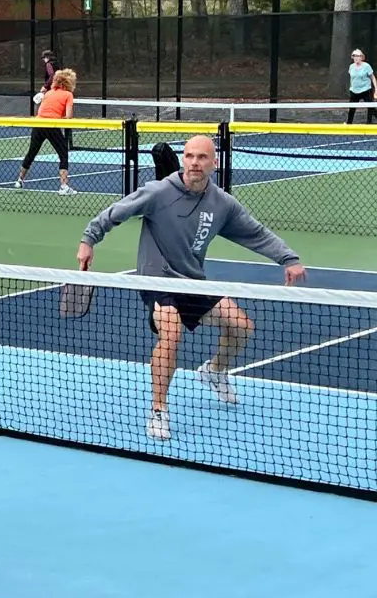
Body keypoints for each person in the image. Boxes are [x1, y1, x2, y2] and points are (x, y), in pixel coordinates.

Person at [77, 135, 307, 441]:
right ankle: (159, 410)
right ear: (183, 159)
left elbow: (256, 233)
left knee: (241, 327)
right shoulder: (159, 192)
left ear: (214, 163)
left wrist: (288, 258)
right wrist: (89, 239)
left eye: (201, 157)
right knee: (171, 334)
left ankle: (213, 370)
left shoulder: (222, 204)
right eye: (189, 156)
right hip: (156, 280)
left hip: (192, 281)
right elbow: (117, 211)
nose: (194, 163)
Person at [15, 67, 77, 196]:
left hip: (38, 124)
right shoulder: (68, 95)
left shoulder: (48, 93)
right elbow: (69, 116)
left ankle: (19, 180)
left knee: (31, 152)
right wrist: (61, 118)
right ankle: (64, 186)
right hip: (51, 125)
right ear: (69, 83)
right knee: (63, 154)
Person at [345, 48, 377, 124]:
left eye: (358, 56)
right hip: (354, 91)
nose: (356, 57)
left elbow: (372, 77)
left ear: (361, 57)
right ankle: (349, 123)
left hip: (366, 90)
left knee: (371, 107)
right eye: (354, 56)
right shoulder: (351, 67)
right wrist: (351, 87)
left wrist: (376, 90)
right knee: (351, 108)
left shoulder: (366, 66)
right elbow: (352, 78)